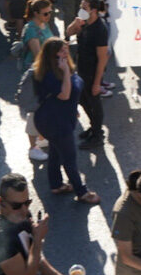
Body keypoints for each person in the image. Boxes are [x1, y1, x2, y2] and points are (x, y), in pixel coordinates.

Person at [33, 37, 100, 204]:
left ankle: (56, 185)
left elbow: (71, 95)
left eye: (66, 49)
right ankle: (82, 192)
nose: (66, 53)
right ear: (52, 55)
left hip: (60, 118)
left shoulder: (62, 67)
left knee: (56, 151)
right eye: (62, 51)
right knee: (69, 157)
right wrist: (66, 73)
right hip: (54, 122)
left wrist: (73, 108)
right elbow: (65, 94)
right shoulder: (50, 73)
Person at [69, 0, 111, 150]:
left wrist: (97, 83)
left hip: (92, 72)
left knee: (94, 103)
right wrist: (76, 24)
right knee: (82, 100)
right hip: (81, 69)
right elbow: (68, 32)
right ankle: (94, 127)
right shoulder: (84, 22)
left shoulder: (100, 29)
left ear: (94, 10)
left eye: (84, 8)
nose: (81, 10)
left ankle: (97, 135)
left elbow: (103, 58)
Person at [19, 0, 55, 162]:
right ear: (36, 13)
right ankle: (32, 147)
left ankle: (40, 138)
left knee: (44, 108)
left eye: (50, 12)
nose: (49, 16)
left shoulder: (43, 24)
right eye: (45, 13)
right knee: (34, 110)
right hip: (36, 74)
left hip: (46, 71)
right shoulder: (31, 29)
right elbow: (38, 55)